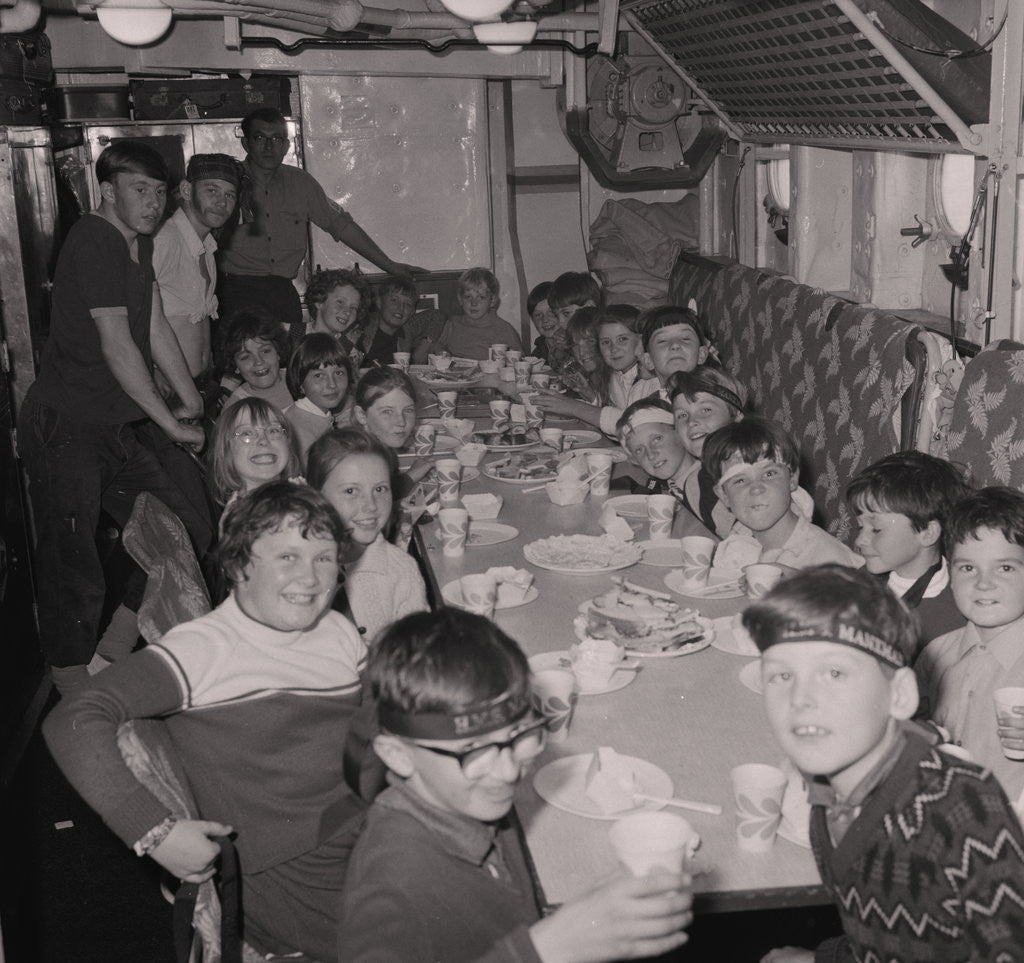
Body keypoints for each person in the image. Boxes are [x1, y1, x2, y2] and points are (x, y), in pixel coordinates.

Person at [44, 482, 367, 962]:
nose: (312, 576)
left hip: (364, 830)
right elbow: (73, 718)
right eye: (287, 557)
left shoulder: (336, 629)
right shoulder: (206, 649)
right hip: (295, 879)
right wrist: (154, 831)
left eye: (324, 557)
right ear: (239, 565)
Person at [337, 608, 695, 963]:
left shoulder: (468, 801)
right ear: (398, 756)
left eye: (519, 735)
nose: (508, 771)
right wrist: (543, 950)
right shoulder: (392, 882)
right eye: (473, 751)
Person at [745, 565, 1024, 963]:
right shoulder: (828, 793)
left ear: (900, 696)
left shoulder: (961, 807)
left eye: (834, 672)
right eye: (780, 675)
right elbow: (891, 939)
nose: (800, 698)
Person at [17, 140, 209, 694]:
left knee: (185, 528)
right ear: (107, 191)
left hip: (112, 424)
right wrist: (171, 423)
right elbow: (117, 344)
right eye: (139, 190)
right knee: (73, 562)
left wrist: (187, 394)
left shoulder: (137, 245)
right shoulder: (95, 239)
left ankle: (111, 654)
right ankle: (74, 693)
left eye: (159, 192)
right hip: (65, 426)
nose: (152, 203)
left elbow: (151, 327)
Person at [217, 107, 423, 343]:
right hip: (237, 290)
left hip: (281, 292)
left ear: (286, 146)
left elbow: (341, 225)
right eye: (260, 138)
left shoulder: (301, 183)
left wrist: (390, 266)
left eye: (277, 139)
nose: (268, 146)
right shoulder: (228, 183)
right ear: (246, 143)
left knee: (293, 362)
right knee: (239, 363)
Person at [916, 486, 1024, 804]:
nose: (983, 582)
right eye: (968, 568)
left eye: (1005, 568)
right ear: (949, 573)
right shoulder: (935, 654)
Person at [307, 428, 428, 641]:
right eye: (351, 491)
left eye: (380, 489)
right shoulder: (295, 567)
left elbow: (415, 656)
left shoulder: (401, 570)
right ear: (316, 496)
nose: (371, 505)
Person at [846, 451, 971, 648]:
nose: (860, 540)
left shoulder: (955, 616)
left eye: (876, 529)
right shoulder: (858, 583)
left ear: (928, 533)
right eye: (861, 527)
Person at [703, 417, 862, 571]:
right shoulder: (738, 543)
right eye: (740, 481)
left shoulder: (828, 561)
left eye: (769, 474)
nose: (756, 488)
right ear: (724, 496)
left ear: (792, 478)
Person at [152, 152, 240, 382]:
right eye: (212, 190)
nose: (222, 203)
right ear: (186, 191)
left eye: (230, 195)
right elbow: (133, 321)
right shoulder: (164, 239)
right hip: (166, 388)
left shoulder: (208, 247)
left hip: (198, 384)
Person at [667, 365, 747, 538]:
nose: (692, 422)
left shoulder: (753, 467)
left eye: (706, 410)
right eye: (682, 415)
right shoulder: (696, 480)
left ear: (737, 416)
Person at [208, 398, 301, 511]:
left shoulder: (295, 497)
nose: (263, 440)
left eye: (273, 430)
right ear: (226, 450)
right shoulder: (246, 518)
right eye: (247, 433)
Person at [420, 266, 521, 361]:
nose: (473, 303)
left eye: (481, 297)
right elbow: (438, 345)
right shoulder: (452, 324)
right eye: (468, 297)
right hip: (455, 377)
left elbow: (519, 359)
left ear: (493, 300)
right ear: (460, 299)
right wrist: (441, 351)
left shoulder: (503, 329)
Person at [283, 332, 354, 463]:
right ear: (300, 383)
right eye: (318, 376)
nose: (332, 384)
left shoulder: (320, 413)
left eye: (339, 373)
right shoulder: (298, 429)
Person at [617, 397, 697, 498]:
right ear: (635, 460)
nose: (650, 455)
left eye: (657, 439)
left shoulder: (703, 489)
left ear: (680, 432)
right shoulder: (675, 484)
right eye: (639, 450)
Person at [361, 274, 444, 368]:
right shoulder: (364, 323)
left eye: (408, 304)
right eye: (394, 300)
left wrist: (426, 343)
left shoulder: (408, 327)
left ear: (412, 312)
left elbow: (437, 315)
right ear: (379, 302)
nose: (401, 307)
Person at [222, 306, 293, 412]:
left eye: (265, 351)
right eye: (245, 357)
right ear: (235, 365)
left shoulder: (301, 380)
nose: (258, 361)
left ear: (278, 352)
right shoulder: (236, 408)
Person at [304, 266, 374, 365]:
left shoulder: (350, 350)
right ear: (319, 301)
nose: (347, 312)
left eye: (353, 307)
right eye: (340, 302)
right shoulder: (291, 334)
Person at [527, 281, 570, 370]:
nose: (545, 319)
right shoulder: (538, 352)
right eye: (538, 315)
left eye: (551, 312)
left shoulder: (575, 345)